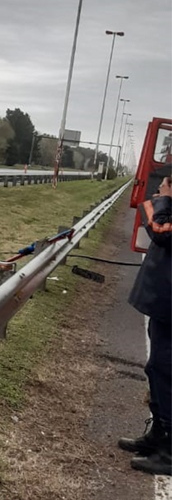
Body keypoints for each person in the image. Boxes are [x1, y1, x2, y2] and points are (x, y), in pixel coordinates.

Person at [119, 175, 172, 476]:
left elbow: (161, 230)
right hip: (165, 303)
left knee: (166, 370)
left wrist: (163, 197)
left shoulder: (167, 202)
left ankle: (170, 450)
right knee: (157, 368)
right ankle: (158, 435)